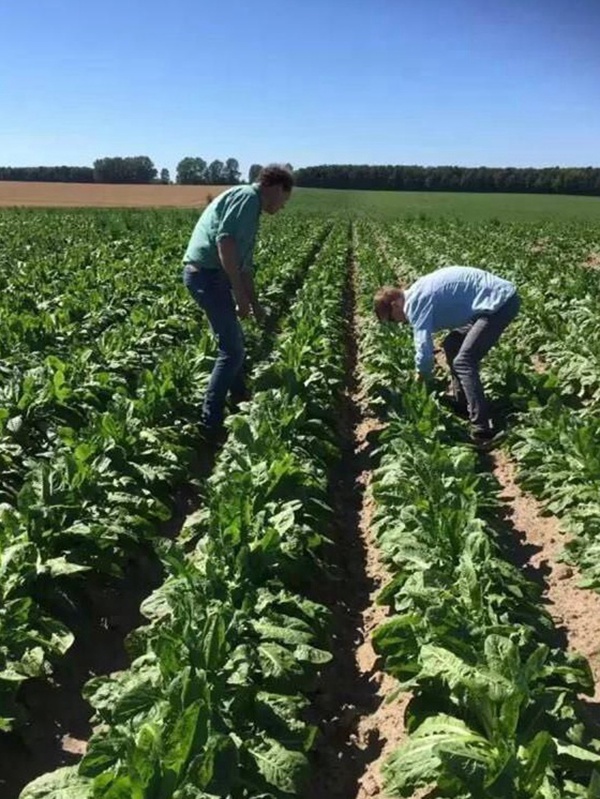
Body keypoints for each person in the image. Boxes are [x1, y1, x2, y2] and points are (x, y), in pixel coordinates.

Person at [182, 164, 293, 437]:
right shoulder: (247, 198)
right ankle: (210, 423)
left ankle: (240, 397)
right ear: (276, 188)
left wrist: (254, 303)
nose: (282, 207)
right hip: (207, 277)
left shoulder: (251, 207)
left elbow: (244, 267)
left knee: (234, 344)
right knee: (231, 350)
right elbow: (225, 244)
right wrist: (239, 295)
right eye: (285, 200)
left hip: (212, 277)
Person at [373, 265, 520, 446]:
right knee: (451, 344)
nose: (397, 323)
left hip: (499, 303)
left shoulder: (415, 303)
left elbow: (424, 349)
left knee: (464, 361)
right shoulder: (416, 293)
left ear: (395, 304)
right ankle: (462, 403)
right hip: (487, 304)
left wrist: (421, 379)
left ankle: (482, 429)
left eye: (392, 319)